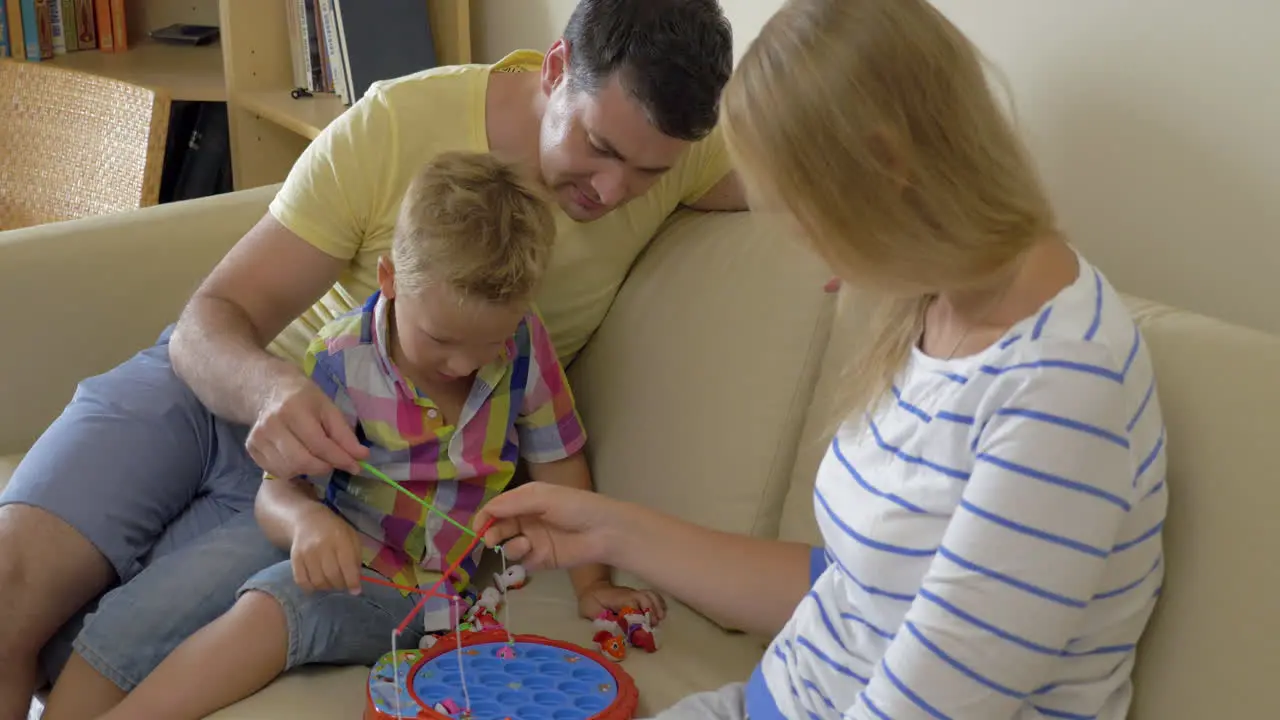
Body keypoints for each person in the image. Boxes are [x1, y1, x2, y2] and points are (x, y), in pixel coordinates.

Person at [0, 1, 741, 718]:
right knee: (10, 592)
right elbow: (211, 321)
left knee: (97, 647)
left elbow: (819, 167)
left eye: (650, 175)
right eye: (599, 149)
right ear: (556, 69)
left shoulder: (668, 142)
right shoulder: (394, 123)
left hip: (348, 484)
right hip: (223, 387)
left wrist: (854, 248)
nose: (616, 191)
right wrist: (272, 392)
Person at [474, 0, 1170, 718]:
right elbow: (855, 587)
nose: (803, 243)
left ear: (884, 166)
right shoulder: (936, 305)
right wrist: (605, 528)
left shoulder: (1062, 394)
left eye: (801, 208)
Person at [87, 150, 662, 720]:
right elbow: (279, 491)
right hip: (340, 545)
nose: (463, 366)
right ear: (388, 278)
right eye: (439, 339)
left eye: (489, 343)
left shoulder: (526, 344)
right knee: (152, 609)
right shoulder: (340, 360)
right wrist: (308, 522)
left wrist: (591, 584)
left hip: (435, 592)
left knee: (275, 609)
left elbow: (561, 466)